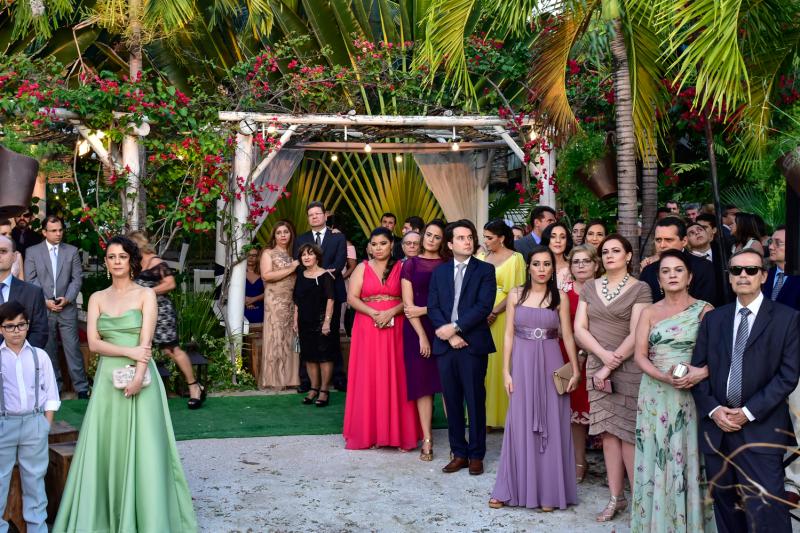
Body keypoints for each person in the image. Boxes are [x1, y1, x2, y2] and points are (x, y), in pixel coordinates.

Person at [53, 235, 197, 532]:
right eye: (111, 257)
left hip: (142, 379)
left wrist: (138, 375)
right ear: (106, 263)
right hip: (108, 380)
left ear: (131, 261)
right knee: (107, 446)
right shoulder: (97, 298)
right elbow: (94, 343)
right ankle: (106, 516)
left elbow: (146, 343)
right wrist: (127, 352)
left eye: (122, 256)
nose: (116, 261)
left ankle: (149, 518)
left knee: (147, 448)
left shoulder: (145, 295)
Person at [691, 248, 800, 533]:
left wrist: (748, 412)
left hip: (761, 429)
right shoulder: (714, 319)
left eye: (751, 270)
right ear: (729, 277)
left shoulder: (787, 318)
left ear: (763, 276)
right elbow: (698, 371)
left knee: (767, 512)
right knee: (727, 510)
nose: (743, 275)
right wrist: (715, 410)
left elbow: (787, 376)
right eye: (736, 270)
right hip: (718, 430)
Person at [488, 246, 581, 511]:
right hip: (522, 363)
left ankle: (549, 493)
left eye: (547, 264)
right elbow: (508, 334)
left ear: (553, 268)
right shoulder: (516, 294)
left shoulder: (559, 296)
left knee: (551, 422)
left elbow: (568, 335)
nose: (541, 269)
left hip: (551, 362)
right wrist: (505, 371)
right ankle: (509, 488)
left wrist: (575, 370)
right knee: (519, 421)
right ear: (528, 267)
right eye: (537, 264)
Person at [631, 249, 716, 532]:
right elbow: (640, 355)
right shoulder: (649, 312)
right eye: (665, 271)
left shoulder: (705, 310)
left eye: (678, 270)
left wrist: (700, 373)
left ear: (689, 277)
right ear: (658, 279)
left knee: (686, 453)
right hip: (655, 392)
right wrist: (663, 377)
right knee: (656, 453)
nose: (672, 276)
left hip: (692, 392)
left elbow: (720, 357)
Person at [573, 234, 652, 522]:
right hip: (597, 365)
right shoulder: (590, 287)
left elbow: (638, 332)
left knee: (628, 435)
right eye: (605, 251)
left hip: (628, 368)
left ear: (628, 256)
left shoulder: (640, 288)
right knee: (607, 433)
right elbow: (579, 328)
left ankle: (640, 504)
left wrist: (611, 363)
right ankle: (615, 498)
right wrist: (602, 358)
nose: (609, 255)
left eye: (616, 251)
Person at [428, 220, 496, 475]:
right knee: (452, 400)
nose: (467, 241)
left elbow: (484, 306)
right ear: (449, 244)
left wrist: (455, 328)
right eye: (461, 238)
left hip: (472, 344)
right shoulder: (440, 272)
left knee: (475, 400)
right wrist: (449, 335)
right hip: (446, 346)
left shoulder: (485, 270)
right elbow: (433, 307)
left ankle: (476, 455)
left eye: (470, 237)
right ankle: (459, 453)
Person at [343, 227, 420, 449]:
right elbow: (352, 298)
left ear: (392, 244)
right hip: (367, 326)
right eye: (374, 244)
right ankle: (369, 432)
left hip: (397, 326)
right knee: (369, 374)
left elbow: (410, 299)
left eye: (383, 244)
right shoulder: (361, 267)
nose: (378, 248)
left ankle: (400, 433)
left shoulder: (402, 267)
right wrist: (374, 313)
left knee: (397, 374)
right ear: (369, 246)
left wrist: (390, 312)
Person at [0, 301, 60, 533]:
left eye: (21, 325)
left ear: (28, 325)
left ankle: (37, 528)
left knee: (35, 480)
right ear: (1, 329)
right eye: (10, 326)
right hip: (4, 424)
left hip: (34, 423)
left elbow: (51, 393)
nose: (16, 331)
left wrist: (46, 424)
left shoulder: (40, 356)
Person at [129, 231, 205, 409]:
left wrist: (147, 293)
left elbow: (170, 284)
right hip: (141, 313)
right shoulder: (135, 263)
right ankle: (137, 388)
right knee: (137, 349)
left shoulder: (155, 262)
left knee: (171, 350)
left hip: (162, 312)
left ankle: (194, 387)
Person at [24, 216, 89, 398]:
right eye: (53, 230)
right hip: (44, 308)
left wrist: (67, 299)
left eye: (60, 230)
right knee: (49, 349)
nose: (58, 233)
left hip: (66, 308)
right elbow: (30, 279)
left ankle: (82, 389)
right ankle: (55, 388)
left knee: (73, 348)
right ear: (44, 232)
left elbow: (77, 279)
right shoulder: (32, 252)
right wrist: (45, 301)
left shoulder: (72, 251)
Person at [401, 219, 447, 461]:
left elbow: (452, 303)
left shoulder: (448, 264)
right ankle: (427, 440)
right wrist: (421, 336)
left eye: (437, 237)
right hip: (416, 331)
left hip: (444, 328)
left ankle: (456, 440)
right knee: (423, 387)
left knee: (449, 385)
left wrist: (426, 309)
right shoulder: (410, 264)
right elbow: (408, 307)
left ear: (443, 241)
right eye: (428, 234)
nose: (431, 240)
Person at [478, 220, 526, 429]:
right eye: (485, 237)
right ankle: (485, 418)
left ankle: (508, 417)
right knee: (484, 367)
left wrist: (495, 311)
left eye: (489, 237)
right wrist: (481, 312)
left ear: (502, 238)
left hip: (506, 316)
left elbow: (519, 290)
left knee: (503, 363)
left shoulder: (516, 259)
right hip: (480, 317)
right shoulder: (480, 257)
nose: (486, 241)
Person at [764, 226, 800, 502]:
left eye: (778, 243)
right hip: (765, 361)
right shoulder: (764, 276)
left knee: (798, 421)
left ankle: (794, 483)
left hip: (795, 361)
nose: (771, 246)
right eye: (771, 242)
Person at [295, 202, 347, 392]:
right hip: (308, 295)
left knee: (331, 337)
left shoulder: (338, 237)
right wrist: (314, 276)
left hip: (332, 291)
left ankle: (338, 378)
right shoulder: (301, 239)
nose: (314, 217)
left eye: (318, 213)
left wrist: (322, 276)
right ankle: (307, 381)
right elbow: (300, 264)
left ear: (325, 215)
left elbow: (339, 262)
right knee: (307, 339)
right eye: (311, 215)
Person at [564, 245, 597, 482]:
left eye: (586, 261)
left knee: (596, 408)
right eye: (576, 262)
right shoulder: (562, 291)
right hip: (566, 354)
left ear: (596, 264)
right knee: (573, 410)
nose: (581, 265)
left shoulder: (603, 289)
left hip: (597, 354)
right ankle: (578, 461)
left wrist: (586, 350)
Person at [639, 217, 719, 306]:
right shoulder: (648, 271)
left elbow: (705, 305)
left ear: (684, 241)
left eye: (669, 240)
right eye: (658, 240)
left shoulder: (703, 267)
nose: (662, 245)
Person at [293, 244, 336, 407]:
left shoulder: (326, 275)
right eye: (303, 255)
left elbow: (331, 300)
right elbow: (297, 300)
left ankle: (324, 390)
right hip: (304, 321)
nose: (306, 257)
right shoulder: (300, 275)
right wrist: (295, 320)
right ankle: (313, 388)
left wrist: (327, 322)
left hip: (321, 321)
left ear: (317, 257)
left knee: (324, 356)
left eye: (310, 254)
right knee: (309, 356)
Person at [260, 221, 300, 391]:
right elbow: (267, 276)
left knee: (292, 336)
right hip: (275, 301)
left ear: (291, 234)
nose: (283, 235)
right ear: (274, 236)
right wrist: (292, 268)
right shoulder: (268, 253)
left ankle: (292, 378)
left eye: (286, 232)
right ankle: (275, 379)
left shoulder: (295, 253)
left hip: (292, 300)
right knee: (276, 336)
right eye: (279, 232)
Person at [0, 236, 48, 349]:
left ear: (14, 257)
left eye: (3, 251)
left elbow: (39, 332)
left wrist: (20, 355)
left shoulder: (33, 293)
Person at [541, 221, 574, 290]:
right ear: (547, 239)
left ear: (567, 241)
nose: (558, 241)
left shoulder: (574, 267)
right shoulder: (538, 267)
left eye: (562, 237)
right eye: (553, 237)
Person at [244, 246, 264, 324]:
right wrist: (244, 300)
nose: (251, 257)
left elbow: (269, 291)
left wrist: (254, 299)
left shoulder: (263, 273)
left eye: (254, 255)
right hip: (241, 309)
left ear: (258, 257)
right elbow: (231, 291)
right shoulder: (238, 273)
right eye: (248, 255)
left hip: (260, 309)